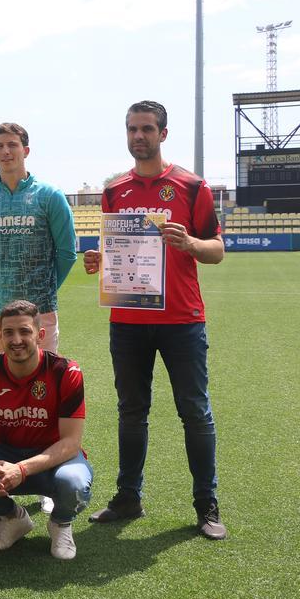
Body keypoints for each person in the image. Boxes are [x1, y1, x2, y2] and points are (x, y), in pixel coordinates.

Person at [85, 100, 227, 540]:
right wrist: (98, 258)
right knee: (131, 411)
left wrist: (190, 243)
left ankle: (206, 504)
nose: (138, 136)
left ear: (163, 134)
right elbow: (115, 250)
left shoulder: (190, 186)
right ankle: (129, 496)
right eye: (131, 129)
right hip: (128, 319)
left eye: (146, 129)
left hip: (182, 319)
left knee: (195, 412)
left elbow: (218, 250)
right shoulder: (115, 190)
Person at [0, 300, 92, 560]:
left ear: (40, 335)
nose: (17, 340)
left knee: (75, 483)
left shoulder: (66, 372)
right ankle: (12, 517)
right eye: (9, 333)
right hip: (6, 455)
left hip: (52, 461)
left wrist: (22, 469)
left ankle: (60, 522)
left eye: (25, 331)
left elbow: (71, 442)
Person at [0, 123, 76, 357]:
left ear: (26, 151)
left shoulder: (49, 195)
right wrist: (1, 284)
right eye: (0, 146)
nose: (6, 151)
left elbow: (67, 253)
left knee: (42, 383)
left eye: (12, 145)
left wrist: (43, 288)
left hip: (40, 309)